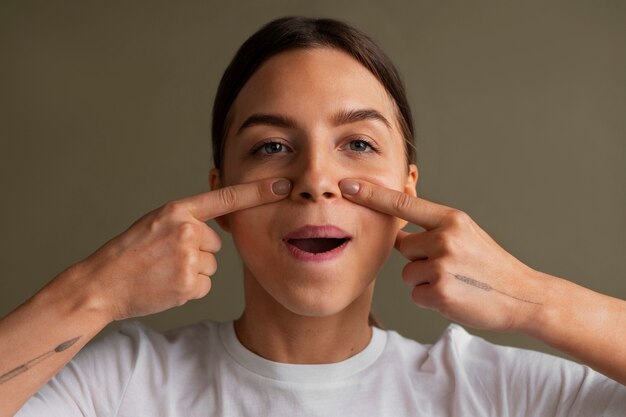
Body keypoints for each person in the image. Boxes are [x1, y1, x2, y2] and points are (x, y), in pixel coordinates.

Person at [2, 16, 625, 417]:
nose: (315, 181)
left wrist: (531, 300)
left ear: (408, 192)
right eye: (272, 146)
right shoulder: (121, 389)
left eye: (357, 143)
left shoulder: (499, 395)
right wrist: (94, 292)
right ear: (219, 197)